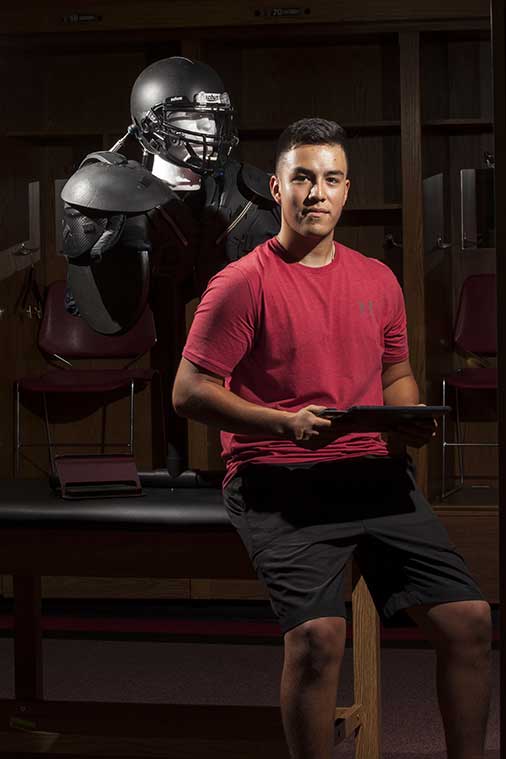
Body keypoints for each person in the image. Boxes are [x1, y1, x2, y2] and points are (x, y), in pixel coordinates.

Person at [172, 118, 491, 759]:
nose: (317, 193)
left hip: (372, 472)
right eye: (302, 179)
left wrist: (405, 419)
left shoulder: (377, 278)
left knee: (470, 621)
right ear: (276, 188)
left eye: (331, 179)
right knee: (319, 640)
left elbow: (397, 372)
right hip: (277, 473)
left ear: (347, 191)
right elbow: (188, 391)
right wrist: (283, 422)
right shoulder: (242, 283)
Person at [61, 56, 279, 473]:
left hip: (242, 370)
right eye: (191, 118)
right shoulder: (110, 190)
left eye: (213, 119)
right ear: (150, 125)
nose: (207, 131)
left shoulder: (252, 193)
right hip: (165, 365)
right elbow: (86, 305)